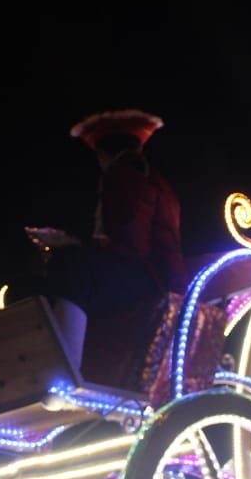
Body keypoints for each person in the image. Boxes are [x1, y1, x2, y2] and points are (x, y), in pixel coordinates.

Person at [22, 110, 183, 361]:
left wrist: (71, 243)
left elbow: (131, 246)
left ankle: (65, 366)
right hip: (158, 278)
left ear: (102, 154)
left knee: (72, 268)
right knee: (72, 266)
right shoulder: (151, 178)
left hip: (151, 280)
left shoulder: (125, 176)